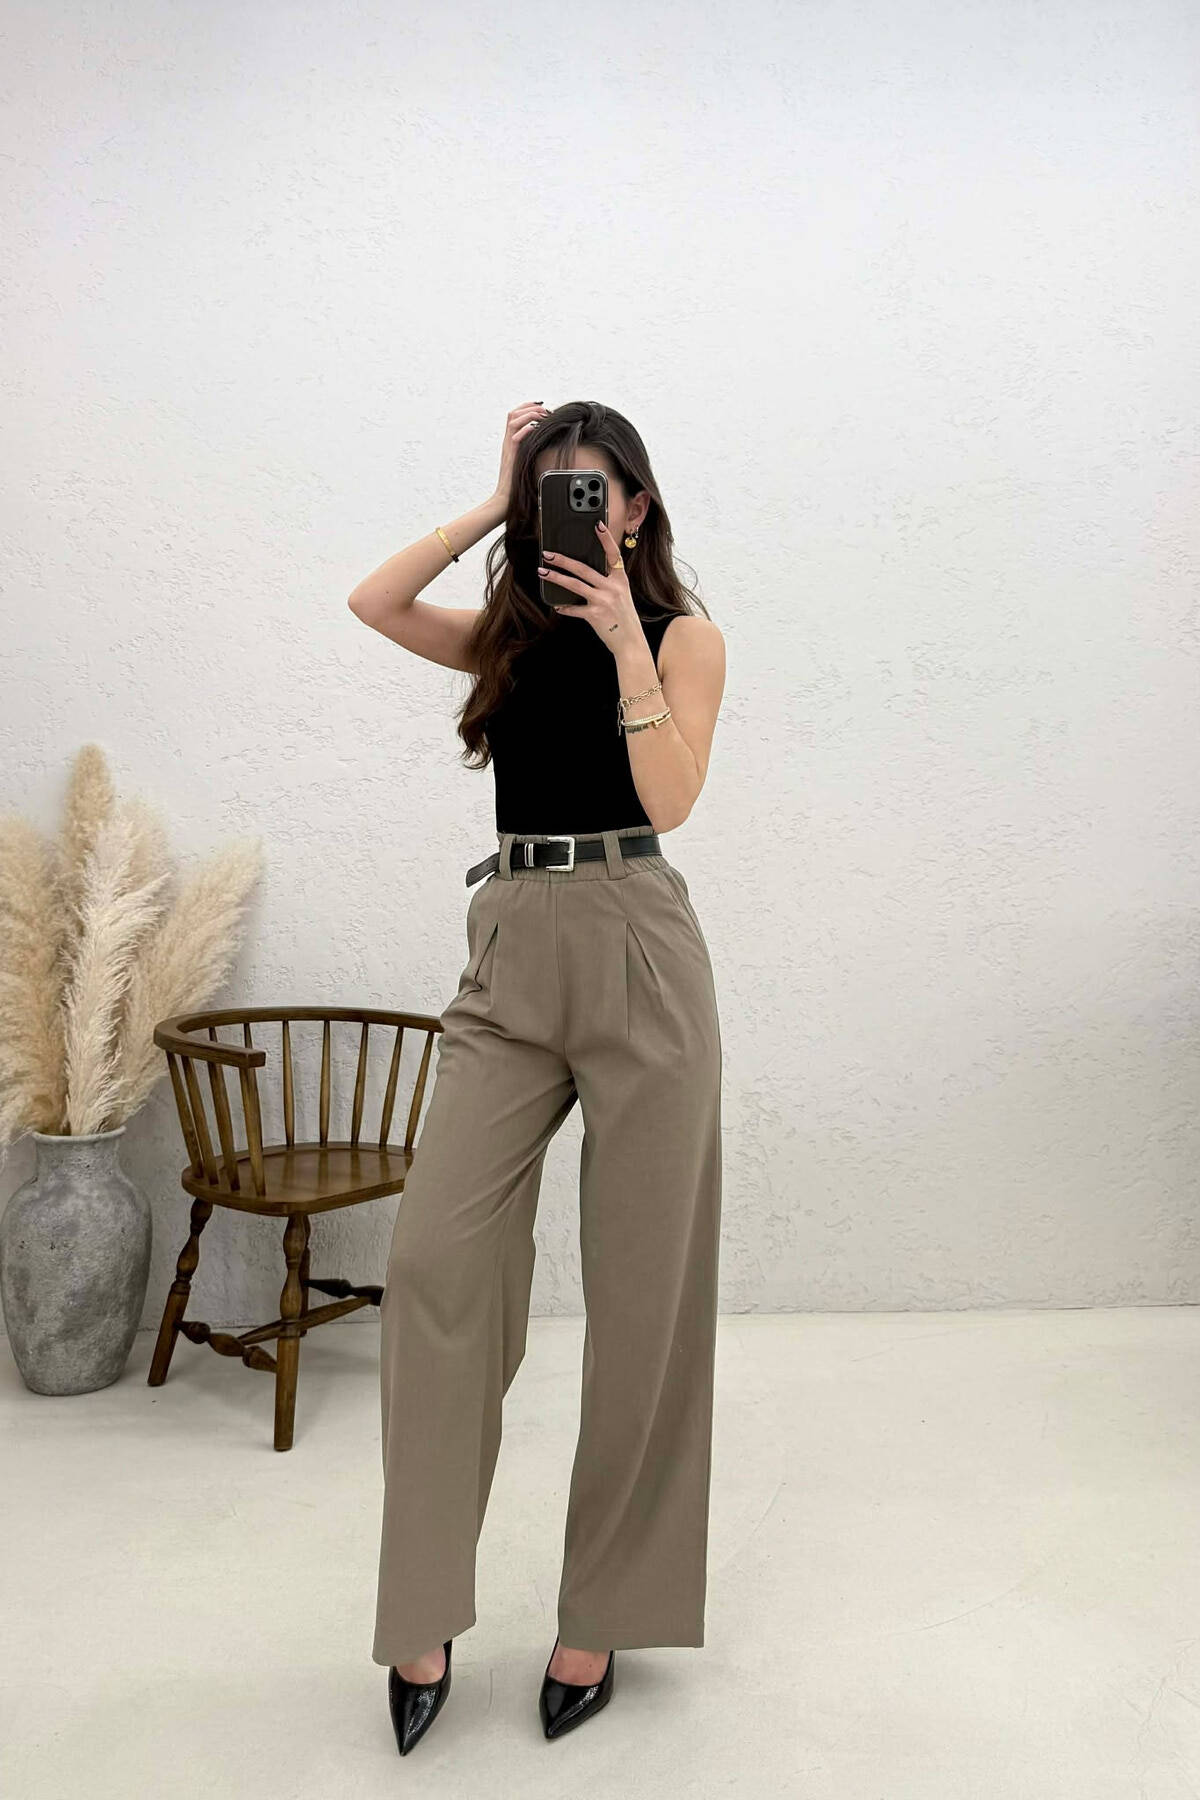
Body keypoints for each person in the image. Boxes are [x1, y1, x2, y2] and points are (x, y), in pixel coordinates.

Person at [348, 398, 726, 1751]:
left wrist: (625, 640)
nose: (576, 507)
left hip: (638, 945)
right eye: (551, 490)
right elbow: (374, 600)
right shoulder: (503, 637)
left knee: (645, 1296)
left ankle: (603, 1609)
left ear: (635, 506)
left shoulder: (683, 637)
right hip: (509, 948)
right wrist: (487, 495)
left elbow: (671, 800)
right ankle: (421, 1607)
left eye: (593, 489)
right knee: (437, 1264)